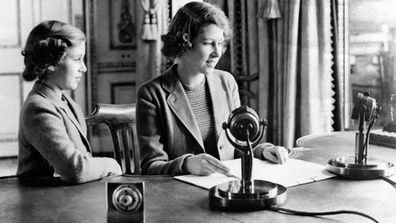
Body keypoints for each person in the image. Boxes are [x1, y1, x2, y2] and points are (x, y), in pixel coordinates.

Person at [136, 2, 289, 176]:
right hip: (180, 195)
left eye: (221, 43)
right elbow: (150, 167)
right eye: (209, 43)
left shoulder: (226, 82)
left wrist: (263, 150)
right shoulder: (151, 94)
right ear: (185, 42)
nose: (218, 53)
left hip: (226, 187)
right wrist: (186, 165)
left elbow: (237, 144)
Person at [17, 20, 122, 183]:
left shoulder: (68, 103)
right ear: (51, 62)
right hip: (44, 204)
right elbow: (76, 170)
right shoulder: (38, 108)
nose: (84, 68)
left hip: (69, 197)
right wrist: (112, 164)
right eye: (77, 59)